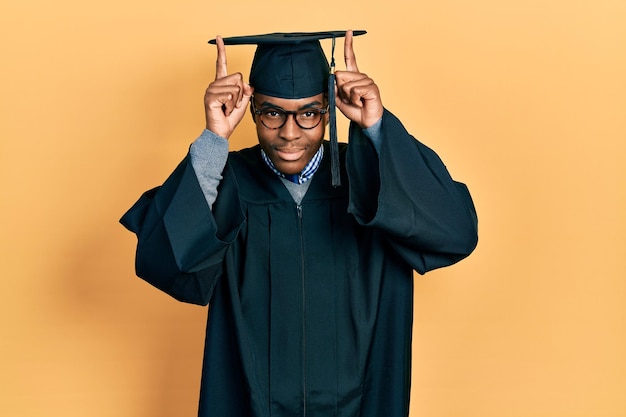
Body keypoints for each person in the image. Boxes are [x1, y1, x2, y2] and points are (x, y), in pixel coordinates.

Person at [121, 30, 478, 417]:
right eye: (272, 112)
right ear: (252, 107)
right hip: (250, 403)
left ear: (330, 107)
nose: (290, 133)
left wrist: (377, 128)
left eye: (309, 113)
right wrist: (213, 140)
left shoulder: (371, 177)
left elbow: (455, 232)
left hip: (362, 403)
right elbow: (165, 260)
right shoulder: (228, 181)